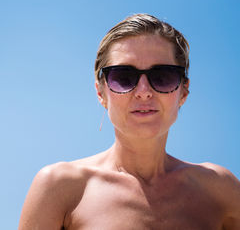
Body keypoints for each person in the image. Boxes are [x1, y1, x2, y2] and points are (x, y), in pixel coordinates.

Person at [18, 13, 240, 230]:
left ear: (184, 91)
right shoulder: (60, 188)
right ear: (101, 92)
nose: (144, 92)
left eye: (162, 77)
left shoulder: (221, 191)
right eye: (124, 78)